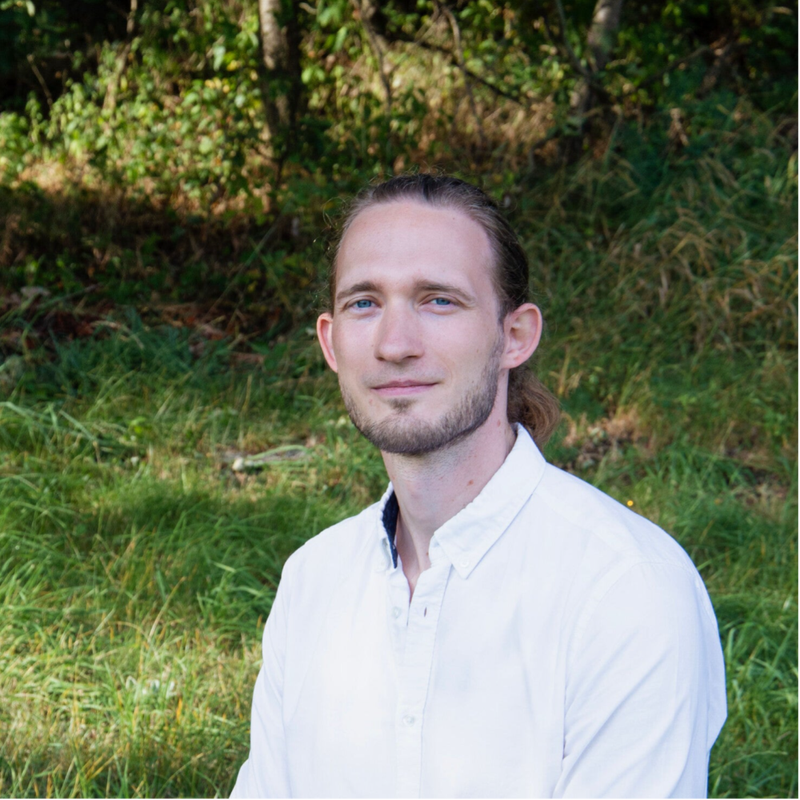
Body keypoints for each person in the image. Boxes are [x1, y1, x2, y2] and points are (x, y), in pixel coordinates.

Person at [230, 174, 727, 799]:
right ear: (331, 342)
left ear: (513, 336)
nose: (395, 345)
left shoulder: (626, 591)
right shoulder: (312, 582)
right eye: (365, 303)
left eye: (438, 300)